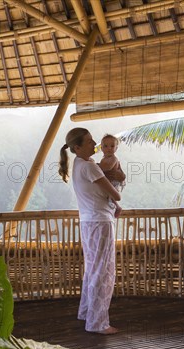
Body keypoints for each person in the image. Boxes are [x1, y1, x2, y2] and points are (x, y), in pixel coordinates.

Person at [58, 127, 123, 335]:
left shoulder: (78, 164)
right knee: (102, 272)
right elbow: (116, 194)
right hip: (100, 222)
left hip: (87, 221)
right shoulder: (90, 167)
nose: (94, 142)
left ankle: (87, 312)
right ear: (77, 147)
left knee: (92, 269)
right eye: (89, 141)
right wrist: (119, 177)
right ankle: (98, 323)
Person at [98, 134, 125, 218]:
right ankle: (116, 207)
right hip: (109, 181)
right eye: (106, 146)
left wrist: (97, 167)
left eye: (112, 146)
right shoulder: (104, 158)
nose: (109, 148)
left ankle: (117, 207)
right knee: (107, 195)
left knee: (109, 194)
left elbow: (108, 167)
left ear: (116, 148)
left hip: (113, 182)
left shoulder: (113, 158)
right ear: (101, 148)